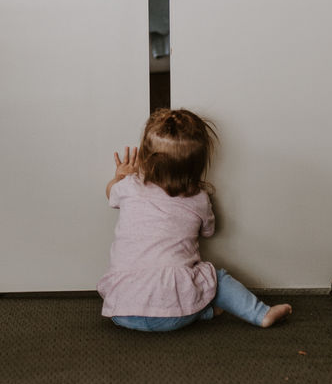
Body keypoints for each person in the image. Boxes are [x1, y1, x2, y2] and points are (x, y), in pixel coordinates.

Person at [97, 108, 292, 332]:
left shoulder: (130, 186)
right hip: (176, 314)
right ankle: (260, 314)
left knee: (167, 289)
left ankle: (202, 312)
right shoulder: (199, 199)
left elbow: (111, 193)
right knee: (216, 279)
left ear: (145, 157)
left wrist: (121, 177)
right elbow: (208, 231)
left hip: (122, 310)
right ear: (198, 166)